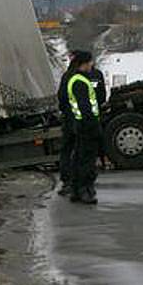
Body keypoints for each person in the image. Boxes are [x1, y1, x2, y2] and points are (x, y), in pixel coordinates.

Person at [67, 50, 102, 204]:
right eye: (89, 62)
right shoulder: (80, 82)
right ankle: (85, 190)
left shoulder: (75, 79)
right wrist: (94, 126)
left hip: (80, 125)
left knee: (79, 158)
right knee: (87, 161)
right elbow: (85, 107)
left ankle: (76, 191)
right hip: (87, 126)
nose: (91, 65)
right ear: (84, 64)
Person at [56, 52, 79, 196]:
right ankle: (73, 181)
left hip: (70, 119)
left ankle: (67, 181)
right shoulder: (77, 78)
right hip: (76, 120)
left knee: (67, 149)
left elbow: (61, 98)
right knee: (75, 149)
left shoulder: (67, 76)